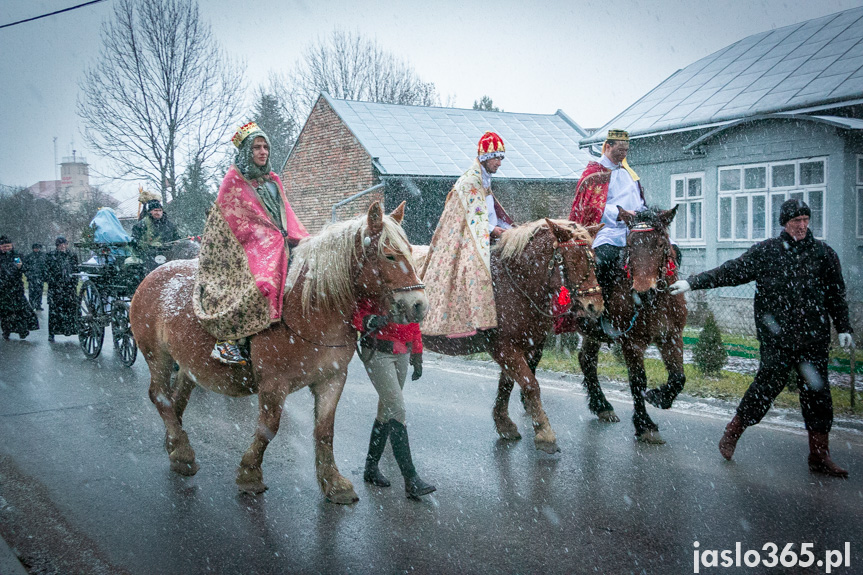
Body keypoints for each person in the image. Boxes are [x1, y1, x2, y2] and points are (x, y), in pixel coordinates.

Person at [669, 199, 854, 477]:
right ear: (785, 223)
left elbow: (835, 295)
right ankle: (733, 431)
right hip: (777, 340)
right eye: (796, 221)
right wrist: (693, 283)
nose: (802, 225)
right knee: (764, 389)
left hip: (812, 340)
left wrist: (844, 328)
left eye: (805, 219)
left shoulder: (823, 254)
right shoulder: (767, 252)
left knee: (818, 395)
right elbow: (730, 272)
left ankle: (819, 455)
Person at [193, 122, 309, 365]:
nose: (263, 151)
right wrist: (269, 239)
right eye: (257, 147)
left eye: (266, 146)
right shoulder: (233, 181)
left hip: (279, 242)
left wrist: (295, 237)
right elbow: (236, 222)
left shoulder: (273, 181)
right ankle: (228, 341)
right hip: (245, 247)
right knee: (264, 283)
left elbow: (286, 214)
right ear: (246, 151)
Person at [420, 131, 514, 337]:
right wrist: (492, 230)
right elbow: (473, 218)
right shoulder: (470, 181)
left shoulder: (485, 180)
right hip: (469, 237)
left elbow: (487, 210)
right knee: (473, 267)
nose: (500, 163)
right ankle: (471, 321)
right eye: (497, 158)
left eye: (501, 158)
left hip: (488, 234)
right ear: (485, 158)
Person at [353, 298, 436, 499]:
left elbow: (414, 323)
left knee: (386, 410)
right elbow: (356, 311)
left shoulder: (406, 285)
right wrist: (370, 320)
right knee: (397, 410)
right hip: (378, 351)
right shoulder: (376, 277)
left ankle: (370, 469)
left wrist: (417, 354)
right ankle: (411, 479)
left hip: (402, 353)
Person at [0, 236, 39, 340]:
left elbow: (24, 268)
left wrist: (21, 267)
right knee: (5, 313)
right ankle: (6, 330)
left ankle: (22, 330)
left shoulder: (16, 256)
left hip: (16, 288)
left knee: (20, 310)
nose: (6, 249)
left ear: (12, 246)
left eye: (8, 246)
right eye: (3, 247)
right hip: (2, 289)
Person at [45, 237, 79, 342]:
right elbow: (47, 270)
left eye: (64, 244)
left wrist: (73, 281)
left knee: (70, 309)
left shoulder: (72, 255)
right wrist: (53, 281)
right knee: (54, 311)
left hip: (69, 287)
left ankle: (70, 329)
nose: (63, 247)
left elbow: (75, 269)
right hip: (55, 288)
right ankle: (52, 333)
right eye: (60, 245)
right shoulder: (51, 256)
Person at [22, 243, 47, 310]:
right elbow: (25, 267)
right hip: (32, 277)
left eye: (38, 248)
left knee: (39, 291)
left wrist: (44, 275)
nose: (37, 249)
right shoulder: (29, 256)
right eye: (35, 248)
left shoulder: (43, 256)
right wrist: (28, 274)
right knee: (32, 292)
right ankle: (32, 305)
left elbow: (45, 266)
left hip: (40, 277)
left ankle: (38, 304)